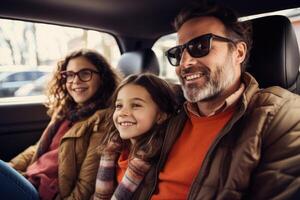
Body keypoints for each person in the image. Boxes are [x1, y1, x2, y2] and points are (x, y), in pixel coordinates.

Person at [132, 2, 300, 200]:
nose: (184, 64)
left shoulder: (283, 116)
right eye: (178, 53)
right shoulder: (169, 109)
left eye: (201, 46)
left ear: (238, 53)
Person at [0, 49, 120, 200]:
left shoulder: (102, 122)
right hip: (30, 178)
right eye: (70, 74)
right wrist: (10, 167)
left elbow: (86, 185)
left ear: (102, 78)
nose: (75, 81)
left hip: (43, 194)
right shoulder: (66, 112)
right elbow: (38, 148)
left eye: (85, 73)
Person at [93, 73, 177, 200]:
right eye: (119, 106)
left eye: (136, 105)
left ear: (161, 115)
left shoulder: (161, 159)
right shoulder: (112, 150)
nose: (123, 113)